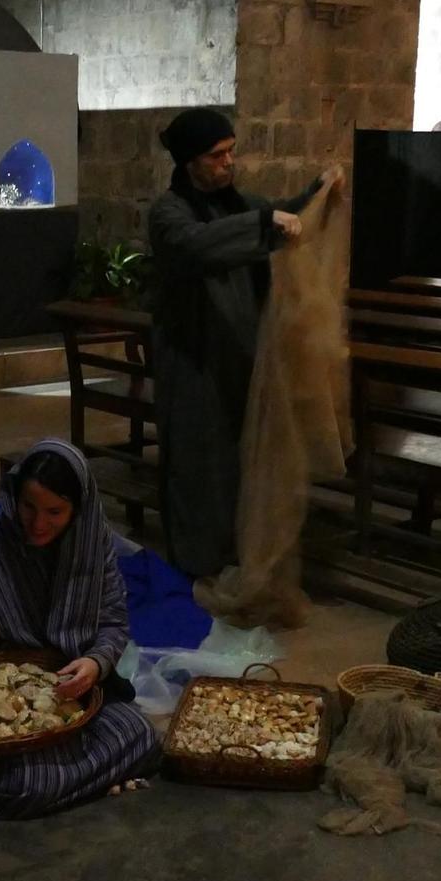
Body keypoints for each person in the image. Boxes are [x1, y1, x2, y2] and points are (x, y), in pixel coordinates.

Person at [147, 108, 340, 578]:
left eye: (231, 152)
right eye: (217, 155)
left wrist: (319, 192)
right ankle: (196, 565)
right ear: (190, 160)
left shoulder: (240, 204)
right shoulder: (169, 212)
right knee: (197, 468)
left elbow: (285, 220)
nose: (228, 162)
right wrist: (264, 224)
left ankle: (236, 555)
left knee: (241, 464)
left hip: (240, 359)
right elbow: (197, 246)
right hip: (192, 361)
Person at [0, 440, 160, 817]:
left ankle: (48, 785)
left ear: (78, 509)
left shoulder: (92, 547)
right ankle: (55, 784)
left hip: (73, 695)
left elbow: (113, 623)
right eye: (28, 507)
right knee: (30, 783)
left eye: (55, 511)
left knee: (144, 736)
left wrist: (95, 664)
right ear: (13, 498)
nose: (37, 523)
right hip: (2, 712)